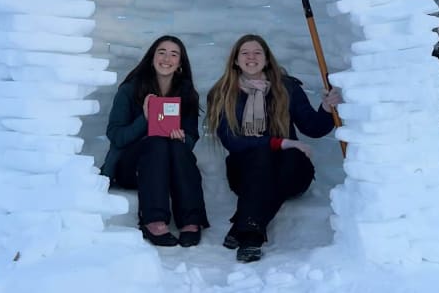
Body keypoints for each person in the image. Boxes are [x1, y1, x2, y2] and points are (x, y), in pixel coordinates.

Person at [205, 34, 341, 262]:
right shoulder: (222, 93)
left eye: (257, 52)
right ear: (235, 61)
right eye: (245, 53)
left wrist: (326, 109)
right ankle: (251, 236)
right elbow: (232, 141)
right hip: (244, 174)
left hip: (291, 172)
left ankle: (244, 222)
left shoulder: (286, 87)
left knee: (287, 158)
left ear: (267, 59)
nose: (251, 57)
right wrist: (281, 142)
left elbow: (313, 127)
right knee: (262, 154)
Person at [103, 35, 209, 247]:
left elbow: (191, 140)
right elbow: (116, 135)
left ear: (180, 63)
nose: (166, 58)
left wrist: (181, 138)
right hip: (131, 168)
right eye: (161, 52)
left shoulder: (186, 93)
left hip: (170, 169)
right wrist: (146, 119)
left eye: (174, 54)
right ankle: (153, 220)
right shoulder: (130, 90)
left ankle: (190, 221)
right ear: (152, 58)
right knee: (156, 142)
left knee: (175, 147)